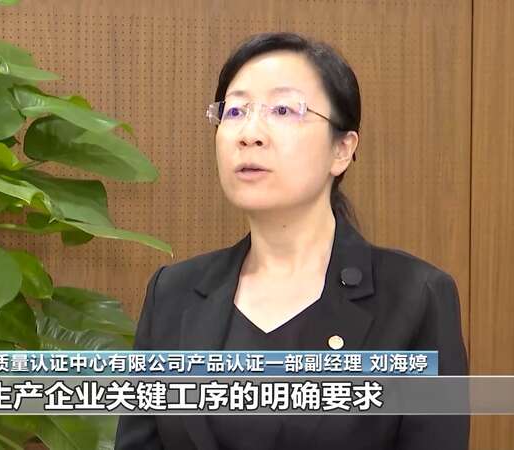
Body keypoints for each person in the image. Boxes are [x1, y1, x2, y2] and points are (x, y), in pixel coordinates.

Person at [114, 32, 469, 450]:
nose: (250, 133)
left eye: (283, 109)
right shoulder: (173, 294)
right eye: (235, 111)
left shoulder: (414, 298)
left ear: (342, 149)